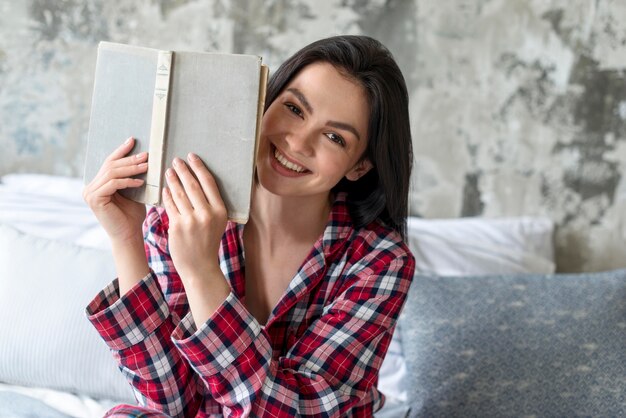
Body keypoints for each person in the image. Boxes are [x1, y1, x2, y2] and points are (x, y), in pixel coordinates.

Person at [83, 35, 415, 417]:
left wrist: (202, 272)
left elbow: (287, 412)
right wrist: (126, 239)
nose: (297, 141)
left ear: (359, 165)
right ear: (262, 101)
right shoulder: (180, 216)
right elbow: (171, 403)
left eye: (334, 137)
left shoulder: (379, 262)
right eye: (293, 108)